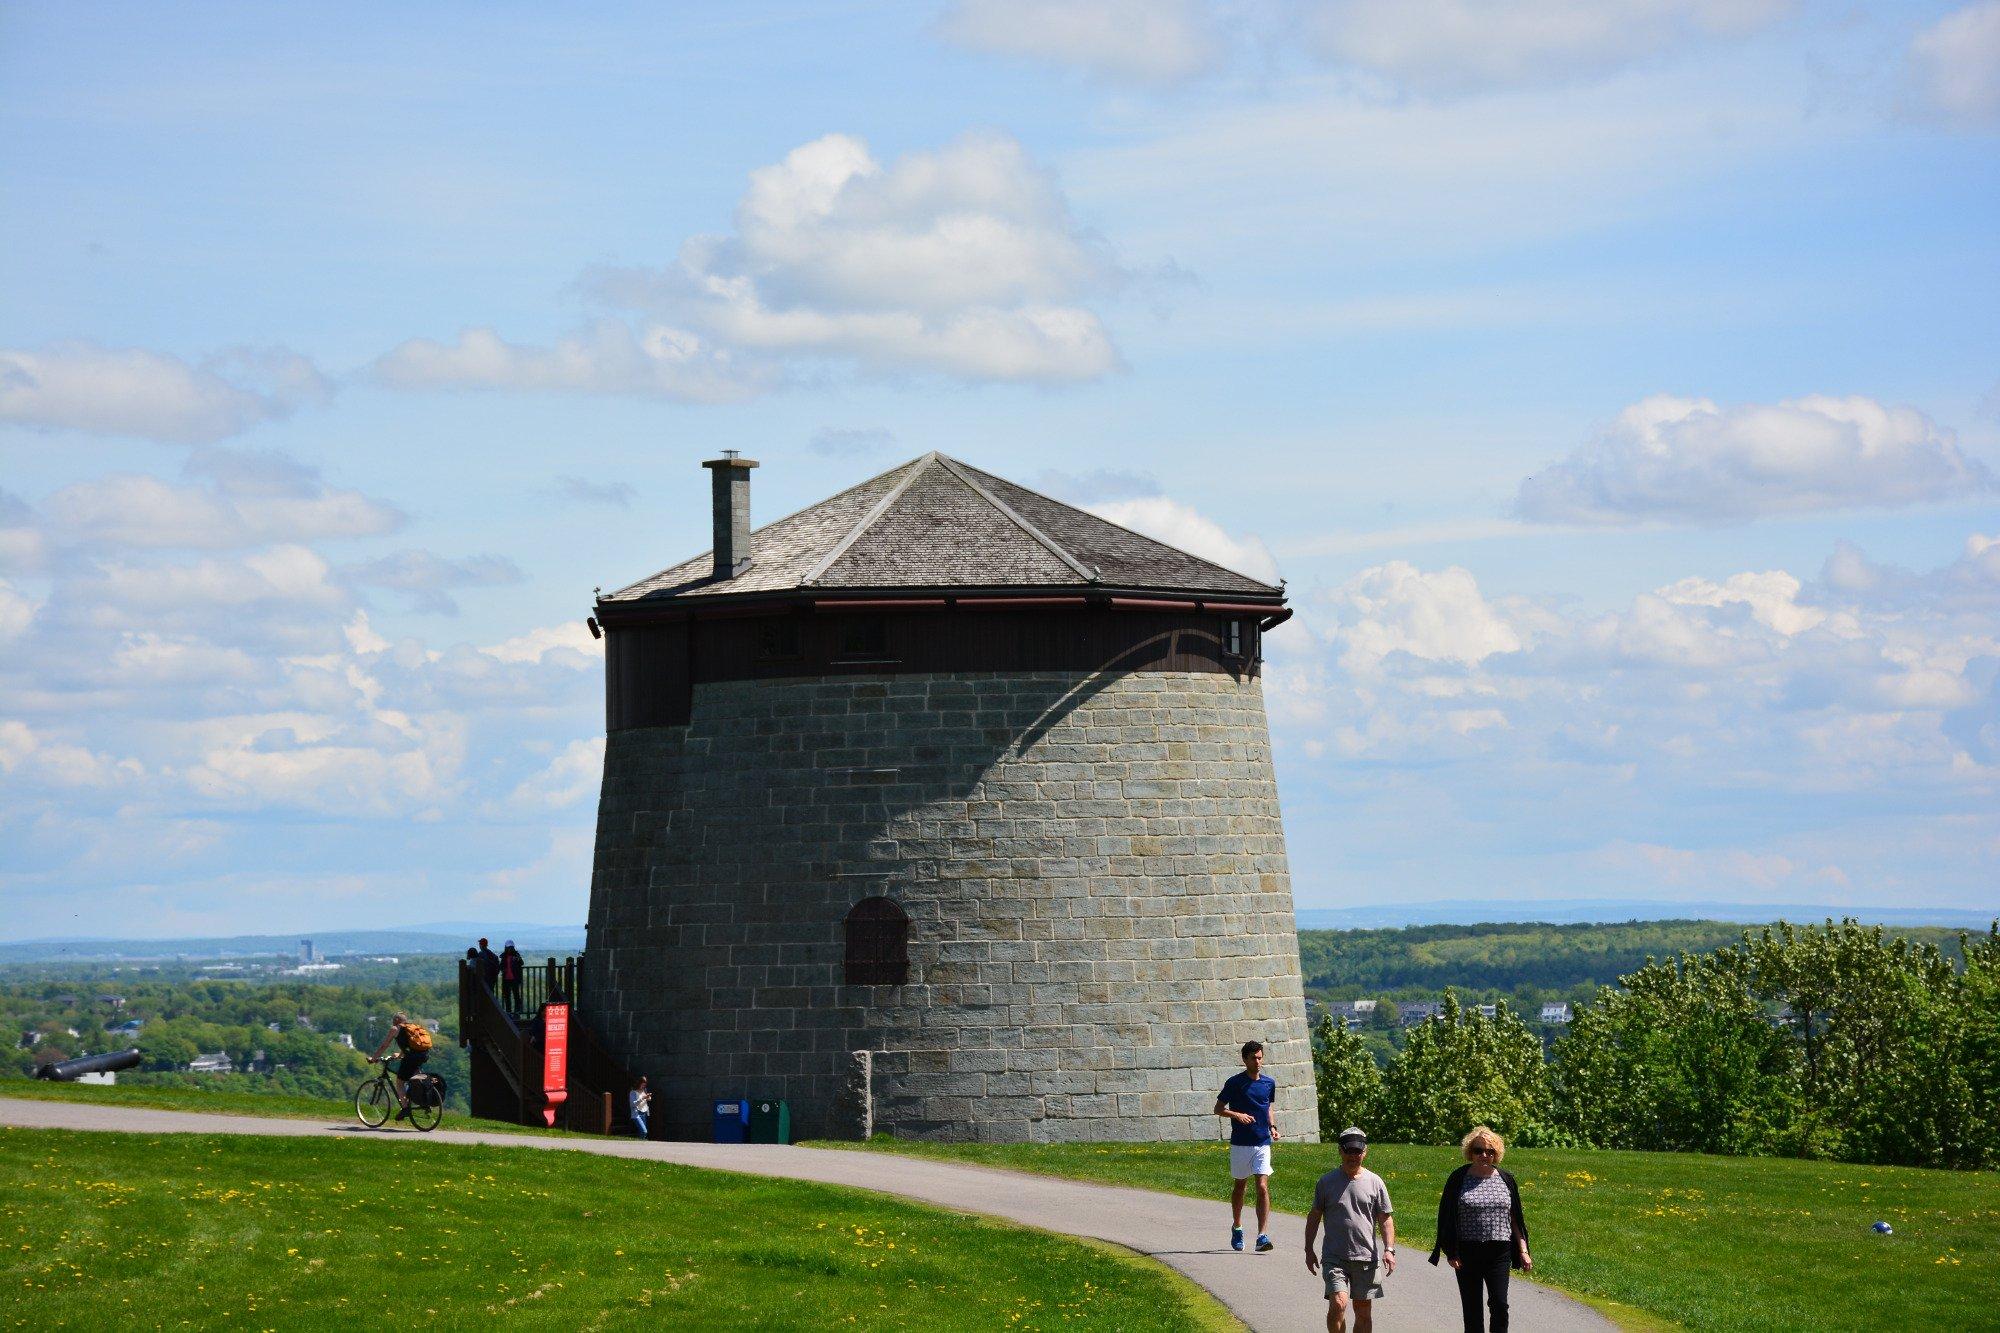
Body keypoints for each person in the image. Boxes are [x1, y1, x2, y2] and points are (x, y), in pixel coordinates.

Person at [1429, 1125, 1532, 1333]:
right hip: (1468, 1253)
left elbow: (1515, 1218)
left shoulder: (1506, 1179)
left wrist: (1523, 1250)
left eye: (1490, 1151)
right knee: (1472, 1310)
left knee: (1500, 1306)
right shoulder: (1458, 1178)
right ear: (1470, 1152)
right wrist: (1451, 1251)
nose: (1484, 1155)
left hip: (1499, 1252)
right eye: (1478, 1150)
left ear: (1496, 1153)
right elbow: (1447, 1217)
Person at [1305, 1127, 1396, 1333]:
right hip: (1334, 1256)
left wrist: (1389, 1249)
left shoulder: (1375, 1182)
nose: (1353, 1156)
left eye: (1358, 1151)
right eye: (1349, 1151)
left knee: (1363, 1313)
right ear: (1340, 1151)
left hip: (1366, 1257)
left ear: (1365, 1152)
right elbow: (1314, 1217)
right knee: (1339, 1303)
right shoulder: (1326, 1182)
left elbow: (1385, 1218)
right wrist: (1308, 1249)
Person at [1213, 1039, 1280, 1252]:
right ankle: (1238, 1226)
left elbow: (1268, 1106)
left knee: (1262, 1186)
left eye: (1260, 1058)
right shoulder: (1234, 1083)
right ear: (1245, 1059)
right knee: (1240, 1186)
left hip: (1262, 1141)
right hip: (1241, 1143)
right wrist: (1237, 1114)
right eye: (1254, 1058)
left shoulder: (1269, 1083)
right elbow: (1218, 1108)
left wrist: (1273, 1127)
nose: (1258, 1062)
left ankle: (1262, 1235)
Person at [366, 1011, 433, 1121]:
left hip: (411, 1058)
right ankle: (425, 1100)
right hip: (423, 1055)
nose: (392, 1023)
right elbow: (409, 1045)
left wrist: (374, 1058)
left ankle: (405, 1108)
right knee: (416, 1079)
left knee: (399, 1082)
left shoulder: (395, 1029)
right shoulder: (411, 1027)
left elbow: (384, 1045)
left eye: (393, 1020)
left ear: (396, 1020)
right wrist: (400, 1055)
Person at [499, 940, 524, 1013]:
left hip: (514, 979)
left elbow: (522, 963)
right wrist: (503, 969)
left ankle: (516, 1011)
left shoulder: (516, 955)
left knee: (516, 995)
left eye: (511, 947)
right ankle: (508, 1011)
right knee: (507, 996)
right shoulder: (504, 956)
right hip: (507, 979)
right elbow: (501, 966)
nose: (510, 949)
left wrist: (518, 959)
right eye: (509, 947)